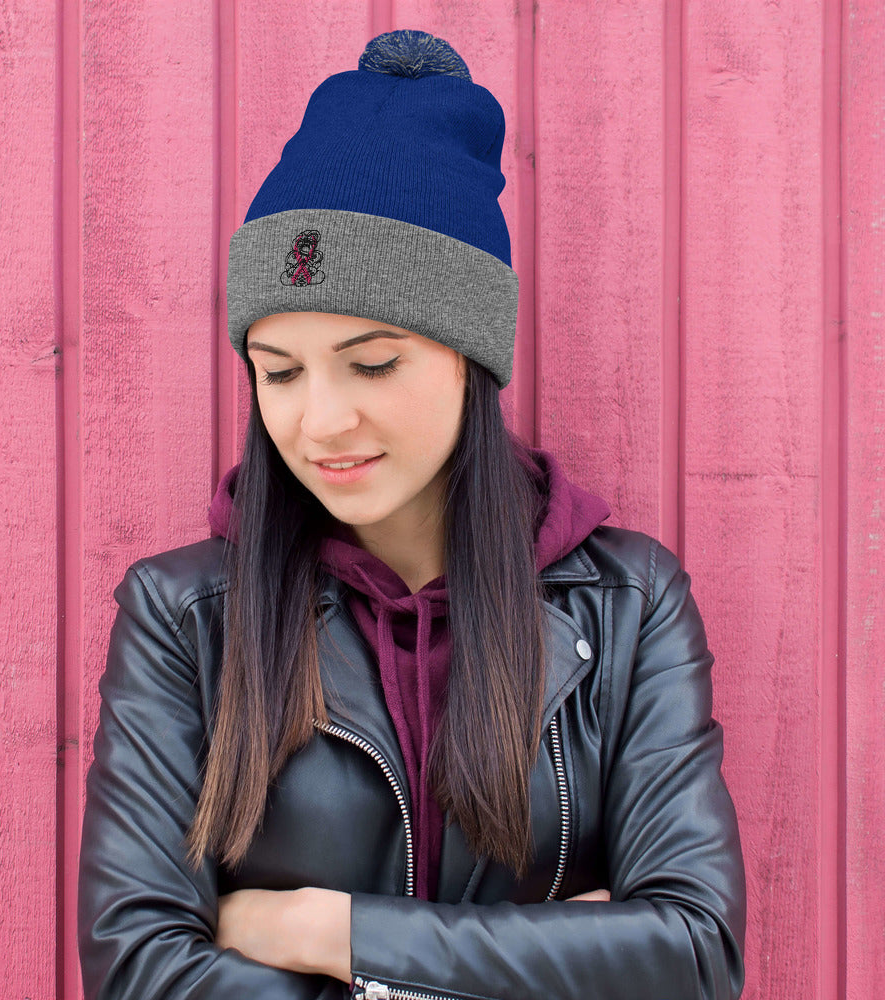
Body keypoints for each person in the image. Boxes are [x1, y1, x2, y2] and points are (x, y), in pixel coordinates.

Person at [78, 29, 746, 1000]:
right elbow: (140, 969)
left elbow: (691, 954)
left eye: (372, 362)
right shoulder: (185, 615)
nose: (320, 420)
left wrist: (322, 927)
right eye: (279, 371)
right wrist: (552, 952)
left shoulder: (626, 600)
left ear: (468, 357)